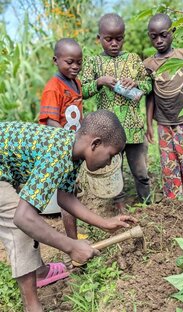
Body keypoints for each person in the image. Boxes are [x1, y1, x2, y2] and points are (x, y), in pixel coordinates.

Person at [0, 109, 134, 312]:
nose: (109, 162)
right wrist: (71, 247)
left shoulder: (71, 149)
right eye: (111, 155)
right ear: (95, 144)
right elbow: (23, 217)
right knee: (20, 225)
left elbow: (65, 197)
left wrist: (105, 223)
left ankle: (37, 273)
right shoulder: (58, 154)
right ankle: (32, 306)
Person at [81, 13, 152, 210]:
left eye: (118, 39)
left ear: (124, 38)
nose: (114, 44)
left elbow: (148, 85)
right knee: (114, 170)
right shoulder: (93, 62)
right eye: (108, 39)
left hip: (133, 128)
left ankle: (147, 204)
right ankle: (119, 205)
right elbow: (82, 91)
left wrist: (136, 82)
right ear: (99, 39)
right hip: (108, 131)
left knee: (140, 171)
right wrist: (99, 82)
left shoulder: (133, 59)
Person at [144, 13, 183, 199]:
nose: (159, 40)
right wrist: (149, 124)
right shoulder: (149, 64)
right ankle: (175, 200)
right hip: (164, 122)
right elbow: (149, 96)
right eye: (153, 36)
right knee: (168, 161)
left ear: (172, 32)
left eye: (163, 35)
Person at [39, 38, 83, 246]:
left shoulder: (76, 83)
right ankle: (72, 240)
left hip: (73, 147)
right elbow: (50, 121)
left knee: (71, 191)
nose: (75, 67)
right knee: (66, 195)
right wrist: (70, 141)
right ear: (56, 60)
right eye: (69, 62)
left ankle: (73, 235)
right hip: (61, 148)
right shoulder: (53, 88)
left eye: (79, 62)